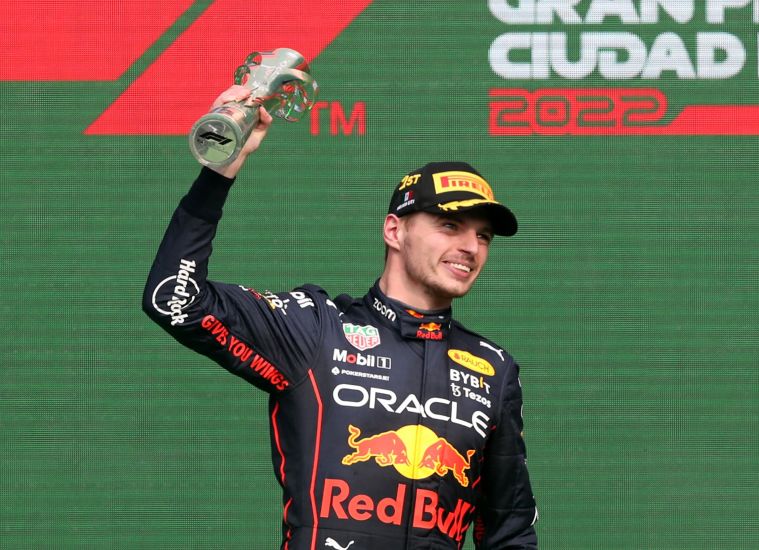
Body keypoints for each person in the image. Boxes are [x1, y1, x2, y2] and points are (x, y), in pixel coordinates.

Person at [143, 85, 539, 549]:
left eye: (484, 236)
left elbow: (510, 531)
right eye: (450, 225)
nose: (471, 247)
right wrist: (219, 171)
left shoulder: (493, 368)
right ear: (395, 229)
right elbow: (175, 300)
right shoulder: (316, 328)